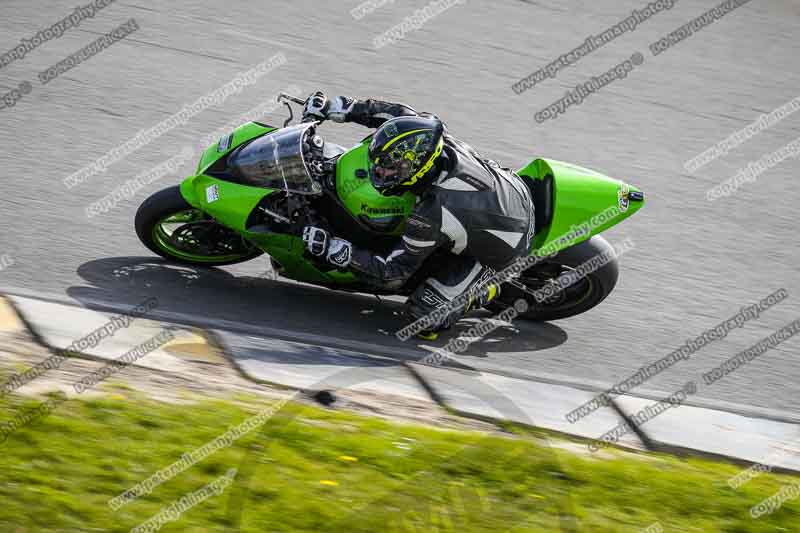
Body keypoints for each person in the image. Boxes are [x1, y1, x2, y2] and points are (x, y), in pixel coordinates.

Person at [300, 91, 535, 339]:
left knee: (422, 319)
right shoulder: (428, 135)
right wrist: (337, 107)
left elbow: (392, 272)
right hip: (511, 189)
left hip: (506, 246)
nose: (378, 170)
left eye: (388, 168)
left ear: (415, 169)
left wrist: (338, 250)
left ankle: (486, 289)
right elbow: (396, 115)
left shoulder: (432, 213)